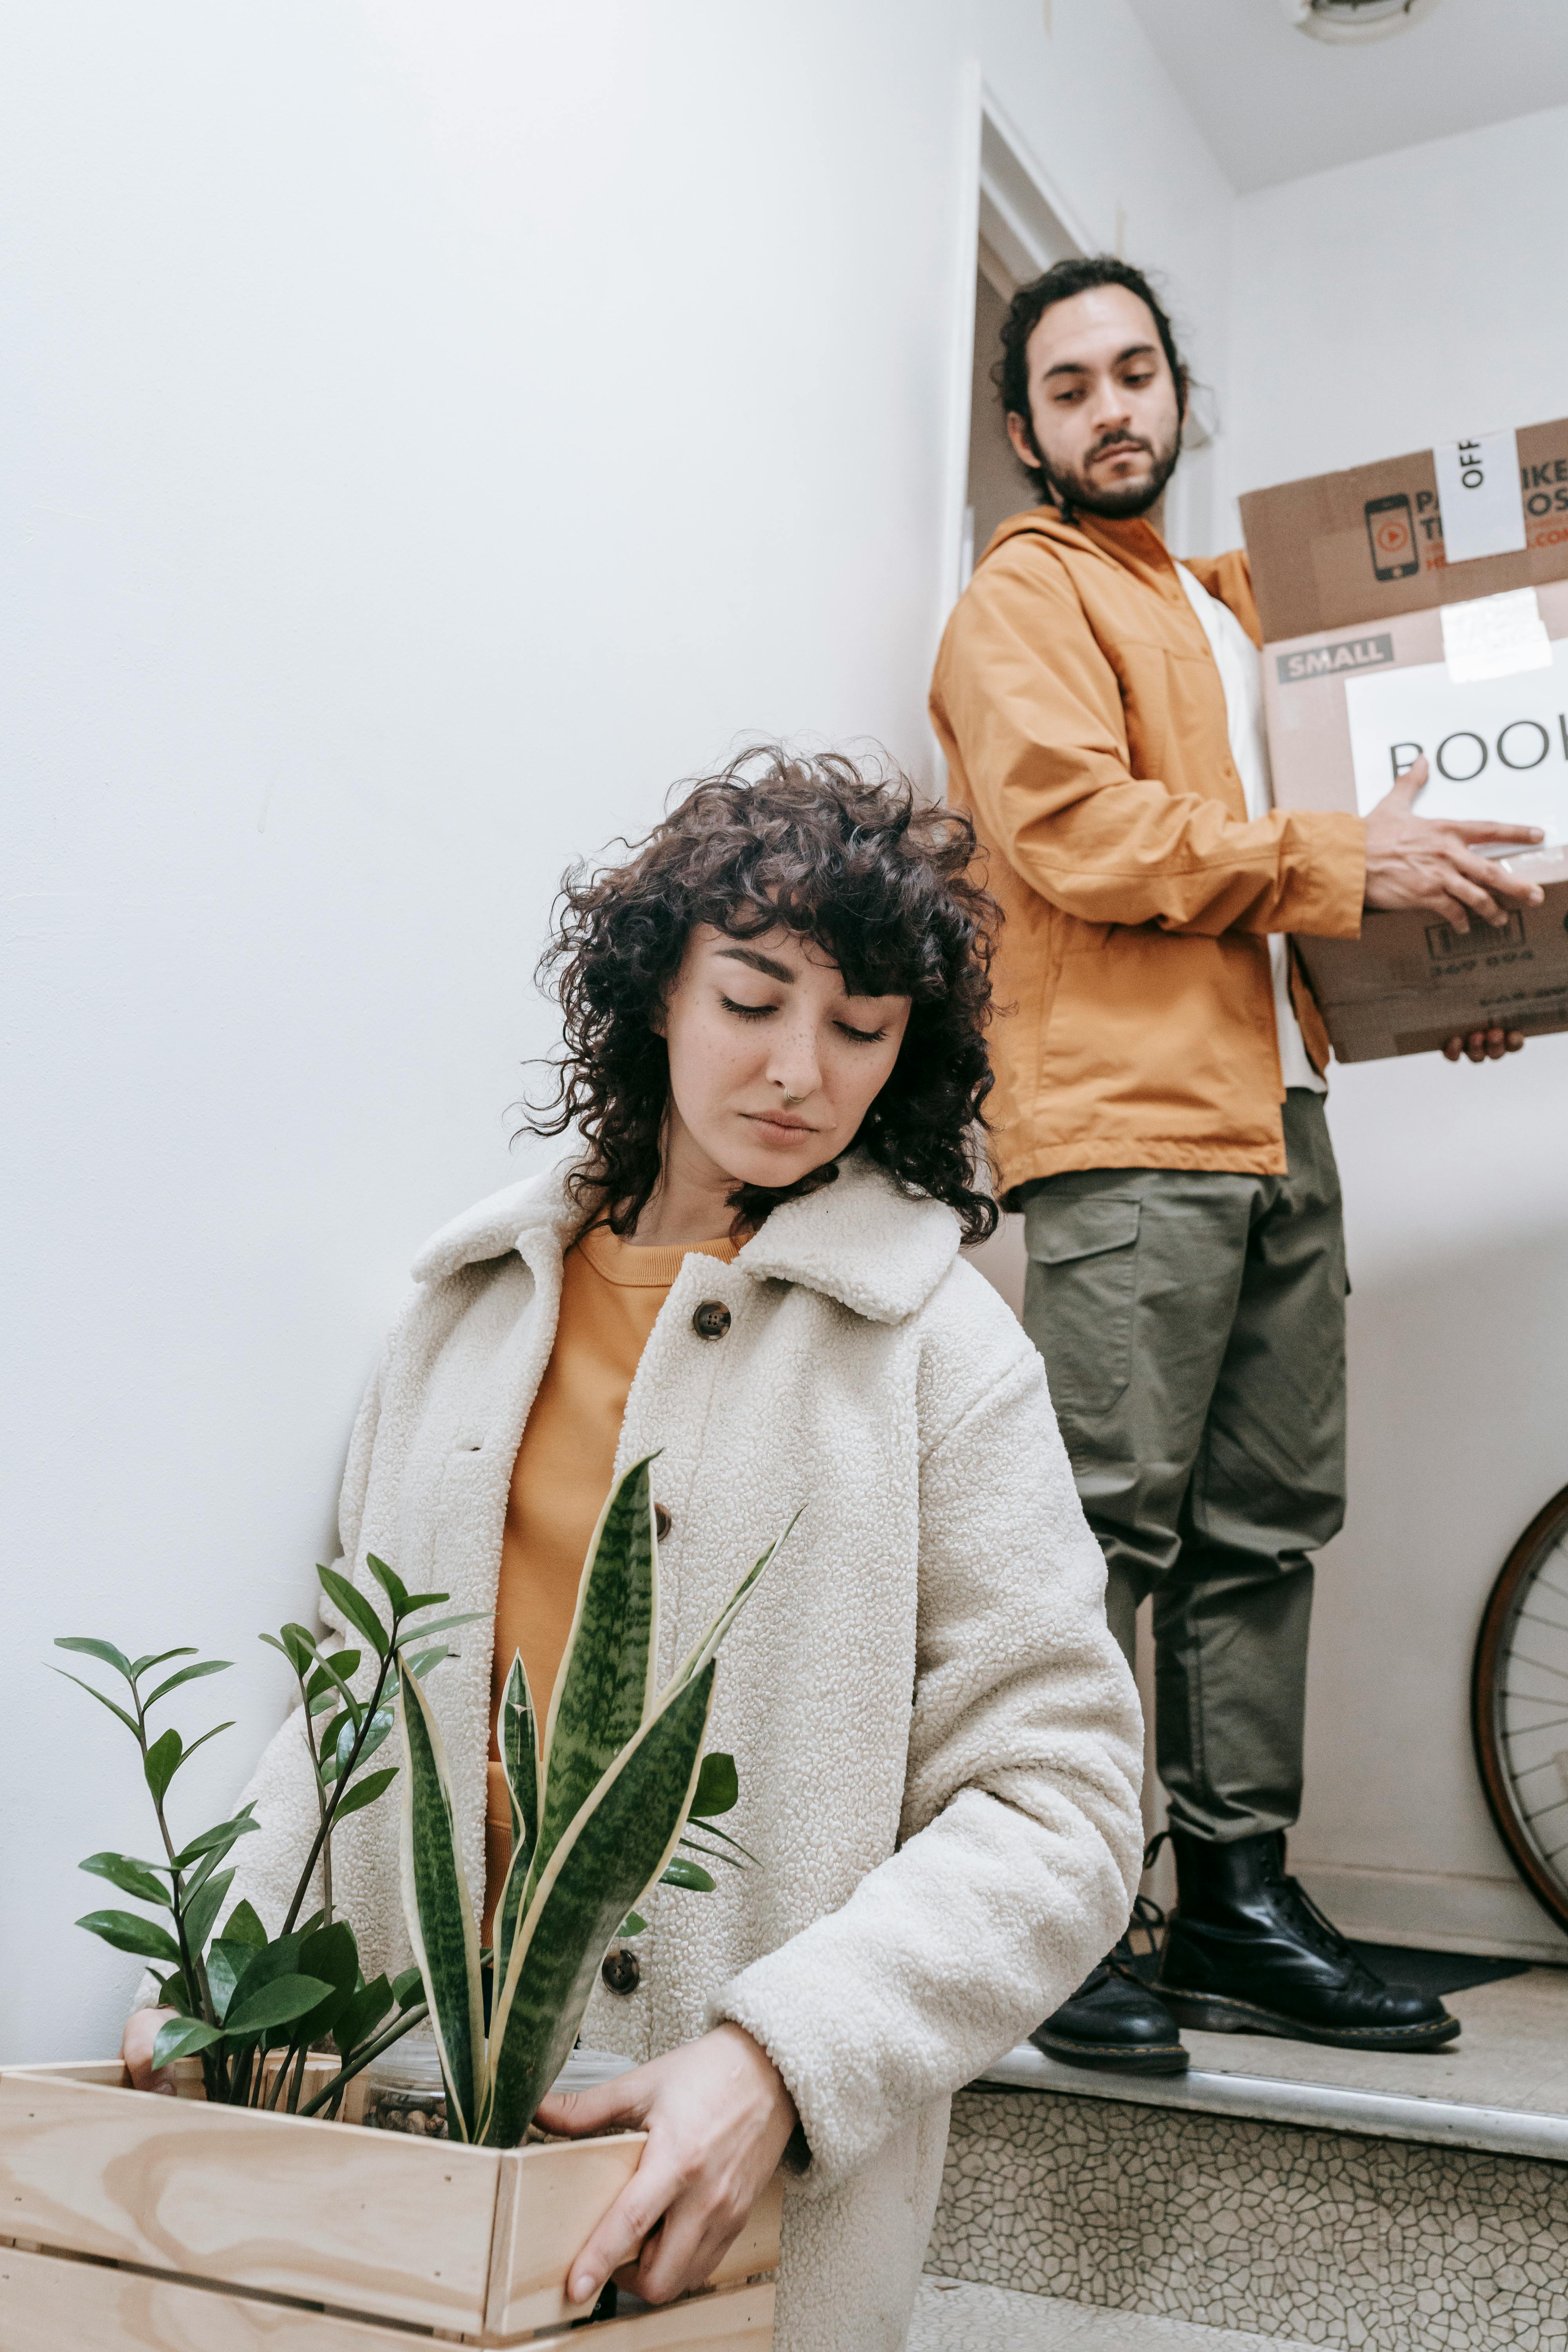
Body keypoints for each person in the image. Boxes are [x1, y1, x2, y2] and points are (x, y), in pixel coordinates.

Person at [123, 751, 1143, 2352]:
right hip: (391, 2162)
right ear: (655, 985)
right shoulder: (461, 1317)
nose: (798, 1069)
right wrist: (221, 1976)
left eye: (860, 1029)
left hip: (723, 2224)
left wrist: (778, 2059)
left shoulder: (942, 1352)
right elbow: (343, 1712)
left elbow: (1064, 1811)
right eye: (751, 998)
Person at [929, 257, 1545, 2076]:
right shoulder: (1017, 599)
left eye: (1136, 372)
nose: (1111, 406)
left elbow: (1309, 845)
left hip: (1277, 1117)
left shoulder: (1229, 611)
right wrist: (1349, 868)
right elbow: (1082, 835)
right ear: (1025, 430)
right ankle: (1034, 1914)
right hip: (1122, 1130)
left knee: (1262, 1532)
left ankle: (1234, 1905)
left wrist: (1440, 961)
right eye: (1070, 385)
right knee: (1099, 1533)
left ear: (1178, 395)